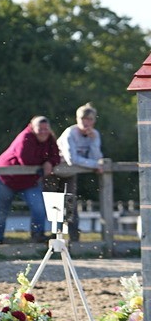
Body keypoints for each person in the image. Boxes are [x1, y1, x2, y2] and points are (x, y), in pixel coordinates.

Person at [0, 116, 62, 244]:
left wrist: (50, 162)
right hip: (6, 179)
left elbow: (56, 156)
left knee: (39, 208)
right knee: (2, 211)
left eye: (46, 129)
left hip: (29, 181)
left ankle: (38, 236)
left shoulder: (50, 139)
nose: (43, 132)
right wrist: (45, 163)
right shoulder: (25, 138)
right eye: (39, 129)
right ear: (32, 127)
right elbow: (26, 160)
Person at [57, 103, 104, 243]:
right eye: (83, 118)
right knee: (54, 205)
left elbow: (96, 157)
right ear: (77, 119)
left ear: (94, 121)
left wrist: (93, 140)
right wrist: (96, 165)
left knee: (70, 203)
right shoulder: (70, 133)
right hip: (55, 171)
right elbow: (72, 159)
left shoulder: (94, 135)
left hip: (70, 173)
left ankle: (74, 239)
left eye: (89, 119)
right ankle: (51, 238)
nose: (86, 122)